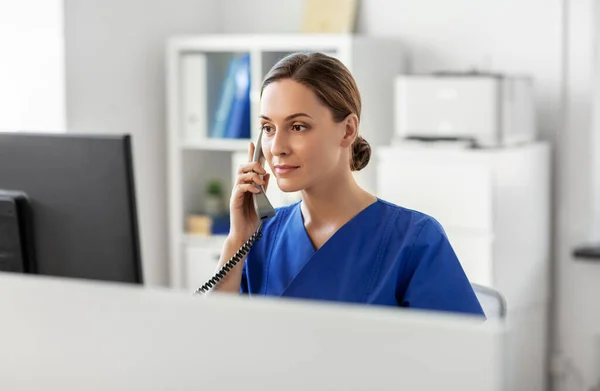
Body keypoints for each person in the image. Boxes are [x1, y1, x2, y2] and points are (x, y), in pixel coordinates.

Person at [212, 52, 484, 317]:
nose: (277, 148)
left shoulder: (414, 240)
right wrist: (237, 240)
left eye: (298, 126)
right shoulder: (260, 237)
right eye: (269, 128)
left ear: (348, 130)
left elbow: (465, 353)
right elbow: (217, 344)